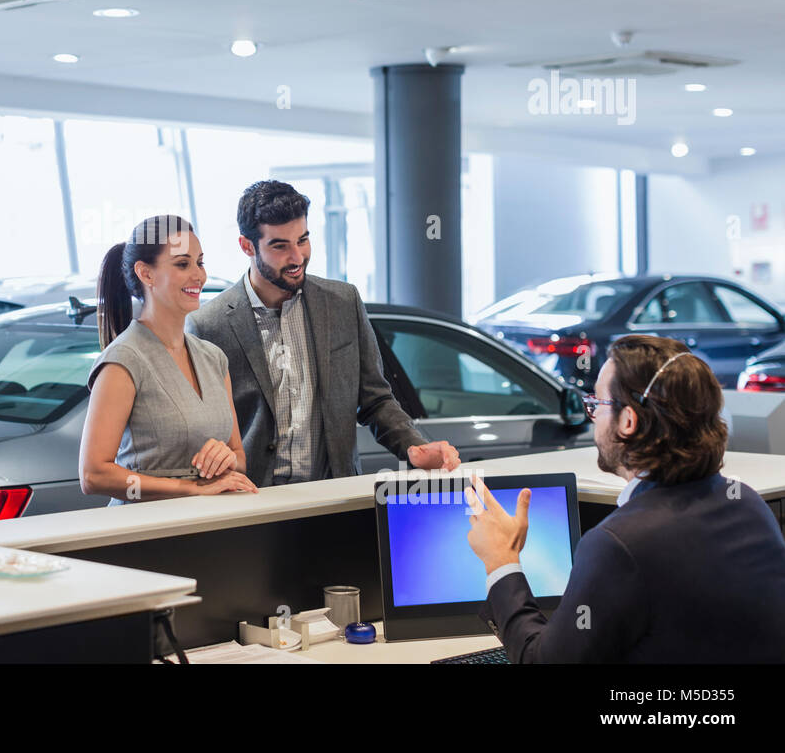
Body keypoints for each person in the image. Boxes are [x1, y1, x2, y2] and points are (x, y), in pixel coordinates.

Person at [466, 334, 785, 662]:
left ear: (628, 421)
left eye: (597, 404)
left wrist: (501, 560)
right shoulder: (748, 505)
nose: (592, 416)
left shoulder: (620, 543)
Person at [186, 180, 459, 486]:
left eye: (302, 240)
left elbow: (375, 400)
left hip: (332, 498)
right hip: (251, 504)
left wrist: (414, 447)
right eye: (280, 246)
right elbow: (201, 430)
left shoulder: (343, 303)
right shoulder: (208, 326)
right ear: (247, 246)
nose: (297, 257)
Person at [79, 214, 258, 505]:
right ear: (146, 274)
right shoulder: (123, 361)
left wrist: (227, 459)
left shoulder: (213, 358)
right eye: (182, 264)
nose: (198, 275)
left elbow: (239, 457)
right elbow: (93, 475)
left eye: (199, 262)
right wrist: (190, 488)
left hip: (209, 526)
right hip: (147, 531)